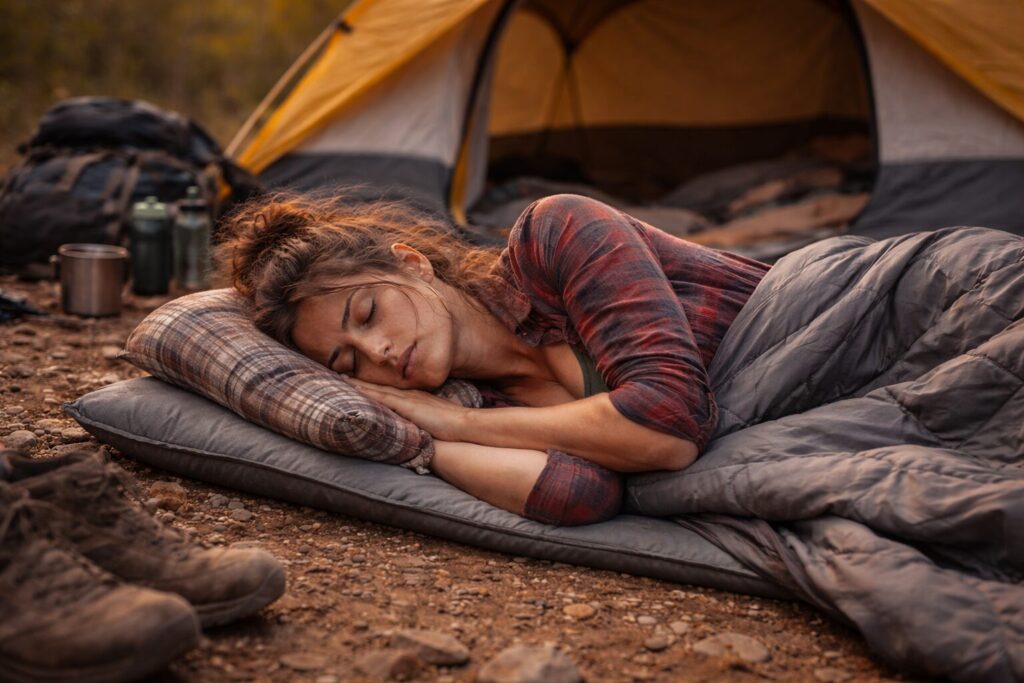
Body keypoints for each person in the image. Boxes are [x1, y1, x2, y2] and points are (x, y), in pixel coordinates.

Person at [216, 193, 769, 525]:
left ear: (411, 263)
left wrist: (458, 424)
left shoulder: (556, 238)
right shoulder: (489, 406)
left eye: (367, 313)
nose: (377, 352)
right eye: (349, 364)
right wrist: (422, 439)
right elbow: (576, 493)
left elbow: (666, 428)